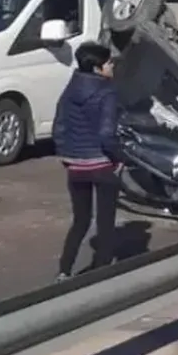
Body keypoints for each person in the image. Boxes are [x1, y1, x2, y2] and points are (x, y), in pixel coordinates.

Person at [53, 42, 122, 280]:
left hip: (76, 167)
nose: (112, 66)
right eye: (109, 63)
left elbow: (59, 127)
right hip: (102, 165)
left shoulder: (70, 89)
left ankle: (64, 271)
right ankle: (101, 273)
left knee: (80, 220)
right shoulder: (107, 92)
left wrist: (67, 156)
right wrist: (118, 158)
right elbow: (106, 134)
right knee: (105, 223)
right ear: (96, 68)